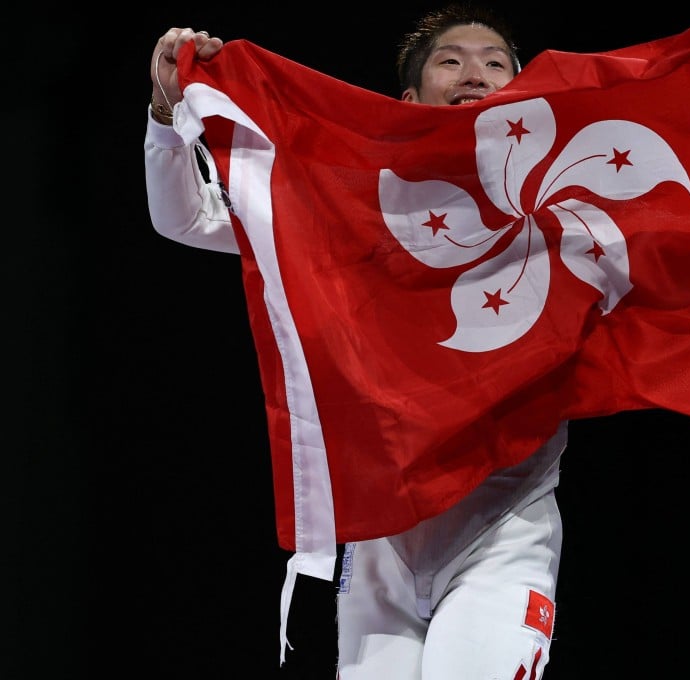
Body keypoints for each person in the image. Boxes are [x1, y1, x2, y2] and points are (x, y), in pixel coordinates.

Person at [144, 5, 566, 680]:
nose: (475, 72)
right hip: (379, 541)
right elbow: (187, 218)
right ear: (408, 99)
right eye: (450, 60)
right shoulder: (356, 201)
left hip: (502, 533)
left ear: (522, 95)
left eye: (495, 62)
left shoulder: (568, 207)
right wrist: (168, 114)